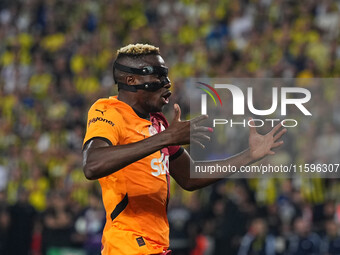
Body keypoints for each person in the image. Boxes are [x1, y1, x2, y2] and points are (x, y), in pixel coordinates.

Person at [82, 43, 286, 255]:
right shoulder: (108, 111)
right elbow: (92, 164)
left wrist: (248, 156)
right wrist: (165, 138)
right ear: (130, 80)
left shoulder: (157, 123)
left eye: (166, 75)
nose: (166, 83)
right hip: (127, 245)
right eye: (157, 75)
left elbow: (190, 177)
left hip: (154, 245)